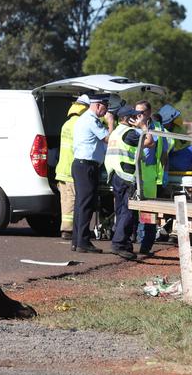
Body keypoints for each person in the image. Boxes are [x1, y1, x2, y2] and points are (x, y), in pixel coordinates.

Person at [104, 105, 156, 260]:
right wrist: (144, 126)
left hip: (115, 174)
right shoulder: (129, 133)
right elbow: (150, 142)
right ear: (127, 119)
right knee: (128, 211)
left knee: (121, 210)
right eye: (135, 116)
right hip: (125, 176)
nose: (137, 118)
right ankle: (119, 244)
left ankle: (124, 243)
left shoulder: (116, 132)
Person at [71, 93, 112, 253]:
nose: (106, 110)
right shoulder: (91, 120)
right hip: (86, 165)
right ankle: (83, 242)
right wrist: (110, 122)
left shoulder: (86, 118)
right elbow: (108, 138)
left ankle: (77, 240)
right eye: (105, 106)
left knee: (81, 204)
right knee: (86, 204)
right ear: (98, 105)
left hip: (82, 165)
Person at [132, 100, 168, 255]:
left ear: (149, 112)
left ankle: (145, 246)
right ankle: (130, 243)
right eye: (136, 112)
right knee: (131, 213)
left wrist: (164, 173)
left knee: (148, 214)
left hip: (150, 175)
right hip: (133, 173)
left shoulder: (159, 129)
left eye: (142, 112)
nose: (138, 115)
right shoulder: (130, 127)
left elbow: (164, 152)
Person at [55, 94, 90, 240]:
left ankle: (68, 229)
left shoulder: (67, 124)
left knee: (66, 201)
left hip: (62, 169)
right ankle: (68, 231)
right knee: (72, 201)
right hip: (71, 170)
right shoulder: (80, 124)